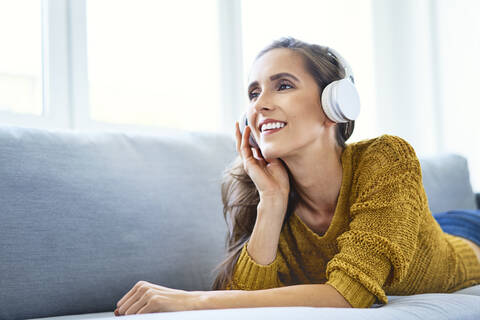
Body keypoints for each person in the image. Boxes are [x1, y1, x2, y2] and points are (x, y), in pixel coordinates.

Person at [114, 37, 480, 315]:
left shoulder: (386, 157)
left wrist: (191, 301)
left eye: (283, 85)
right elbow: (247, 296)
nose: (259, 104)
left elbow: (349, 294)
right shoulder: (269, 195)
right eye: (253, 92)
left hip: (467, 235)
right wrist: (272, 202)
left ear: (336, 104)